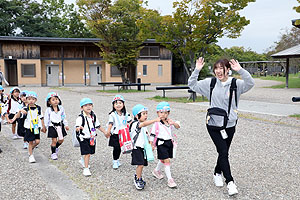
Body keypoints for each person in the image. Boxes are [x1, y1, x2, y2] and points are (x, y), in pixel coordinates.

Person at [188, 58, 255, 196]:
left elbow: (250, 83)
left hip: (230, 124)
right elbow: (192, 85)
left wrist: (240, 70)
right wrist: (197, 69)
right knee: (223, 151)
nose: (218, 71)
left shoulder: (236, 84)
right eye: (216, 68)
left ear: (228, 70)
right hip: (213, 124)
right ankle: (230, 182)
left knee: (223, 152)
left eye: (221, 68)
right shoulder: (210, 83)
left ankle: (217, 172)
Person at [150, 102, 180, 188]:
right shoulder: (156, 123)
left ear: (168, 113)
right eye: (161, 112)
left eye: (166, 112)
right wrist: (151, 144)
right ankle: (170, 179)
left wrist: (173, 123)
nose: (163, 115)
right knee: (167, 160)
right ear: (157, 113)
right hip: (161, 144)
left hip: (169, 143)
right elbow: (152, 134)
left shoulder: (169, 123)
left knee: (163, 159)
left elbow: (178, 126)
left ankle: (156, 171)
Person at [130, 104, 160, 190]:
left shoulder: (143, 126)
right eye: (143, 113)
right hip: (137, 148)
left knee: (142, 164)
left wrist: (151, 144)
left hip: (143, 148)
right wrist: (155, 120)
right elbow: (143, 124)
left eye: (146, 113)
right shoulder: (135, 124)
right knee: (140, 164)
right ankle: (138, 179)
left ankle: (138, 175)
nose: (146, 115)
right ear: (136, 115)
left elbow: (146, 136)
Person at [75, 98, 107, 176]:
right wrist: (78, 128)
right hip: (83, 138)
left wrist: (105, 132)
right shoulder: (80, 118)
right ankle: (86, 169)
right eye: (85, 105)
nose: (88, 107)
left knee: (90, 152)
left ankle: (83, 160)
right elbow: (77, 127)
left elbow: (98, 126)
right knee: (87, 153)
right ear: (81, 108)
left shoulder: (93, 116)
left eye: (90, 105)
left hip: (92, 137)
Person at [14, 91, 46, 163]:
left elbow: (41, 117)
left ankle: (30, 149)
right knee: (31, 142)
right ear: (26, 100)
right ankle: (31, 155)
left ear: (35, 100)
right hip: (29, 127)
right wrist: (20, 111)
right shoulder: (25, 108)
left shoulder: (38, 108)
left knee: (37, 141)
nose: (31, 101)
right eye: (29, 99)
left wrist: (43, 126)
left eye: (33, 99)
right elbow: (19, 116)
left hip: (36, 127)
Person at [106, 95, 132, 169]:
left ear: (123, 104)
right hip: (116, 134)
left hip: (124, 134)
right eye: (116, 103)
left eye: (120, 103)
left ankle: (117, 160)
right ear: (113, 105)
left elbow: (130, 122)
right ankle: (115, 161)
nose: (118, 105)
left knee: (121, 148)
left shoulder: (126, 114)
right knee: (116, 147)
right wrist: (108, 132)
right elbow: (110, 123)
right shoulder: (112, 114)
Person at [44, 92, 69, 160]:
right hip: (52, 126)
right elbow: (46, 119)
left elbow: (63, 117)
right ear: (49, 102)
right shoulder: (48, 110)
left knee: (61, 140)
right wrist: (45, 127)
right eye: (53, 100)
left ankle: (56, 147)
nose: (55, 101)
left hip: (60, 126)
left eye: (56, 99)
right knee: (54, 140)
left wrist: (66, 125)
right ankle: (53, 153)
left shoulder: (61, 108)